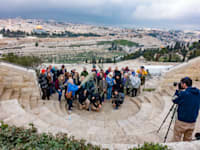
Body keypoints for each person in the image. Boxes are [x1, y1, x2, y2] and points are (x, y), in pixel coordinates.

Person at [172, 77, 200, 142]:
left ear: (184, 84)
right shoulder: (198, 93)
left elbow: (174, 99)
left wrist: (177, 91)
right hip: (193, 121)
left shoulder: (183, 94)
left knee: (176, 139)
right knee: (187, 141)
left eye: (181, 83)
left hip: (182, 121)